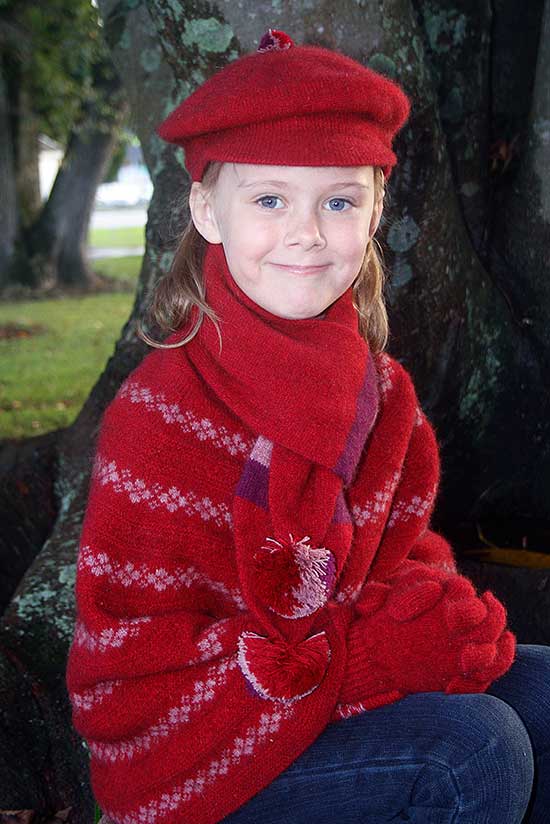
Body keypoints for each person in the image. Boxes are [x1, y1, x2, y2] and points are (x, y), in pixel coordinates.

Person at [66, 28, 550, 824]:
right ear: (205, 211)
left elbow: (396, 555)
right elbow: (131, 676)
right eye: (269, 199)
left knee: (538, 688)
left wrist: (442, 618)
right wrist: (364, 660)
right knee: (476, 746)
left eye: (338, 200)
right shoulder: (161, 419)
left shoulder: (383, 394)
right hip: (192, 758)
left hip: (320, 707)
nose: (306, 232)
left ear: (376, 211)